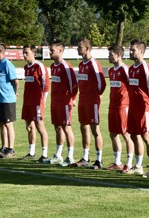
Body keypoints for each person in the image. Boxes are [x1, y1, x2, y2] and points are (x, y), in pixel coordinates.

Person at [125, 39, 149, 178]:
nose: (130, 52)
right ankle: (138, 165)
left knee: (146, 136)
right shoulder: (131, 68)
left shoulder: (146, 68)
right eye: (130, 49)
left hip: (144, 107)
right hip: (132, 107)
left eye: (133, 50)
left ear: (141, 51)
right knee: (134, 135)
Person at [72, 39, 106, 169]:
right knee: (83, 127)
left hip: (92, 102)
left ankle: (98, 160)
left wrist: (96, 96)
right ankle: (85, 157)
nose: (78, 49)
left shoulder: (94, 64)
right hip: (83, 101)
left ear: (87, 49)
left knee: (95, 129)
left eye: (80, 47)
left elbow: (101, 83)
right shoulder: (81, 64)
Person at [45, 41, 78, 166]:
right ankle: (58, 155)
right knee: (57, 127)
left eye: (52, 50)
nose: (50, 53)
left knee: (66, 127)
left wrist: (72, 99)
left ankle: (70, 157)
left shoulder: (66, 66)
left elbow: (74, 85)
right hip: (55, 102)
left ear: (60, 51)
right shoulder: (53, 66)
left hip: (64, 102)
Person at [106, 44, 134, 171]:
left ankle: (129, 163)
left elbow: (132, 87)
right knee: (113, 134)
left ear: (118, 55)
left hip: (123, 106)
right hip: (112, 106)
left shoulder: (125, 69)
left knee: (126, 134)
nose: (109, 57)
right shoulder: (111, 71)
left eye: (111, 55)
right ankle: (117, 162)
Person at [20, 44, 50, 163]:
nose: (24, 55)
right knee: (29, 127)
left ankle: (44, 154)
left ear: (34, 53)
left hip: (37, 102)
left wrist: (44, 100)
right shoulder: (26, 67)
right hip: (27, 101)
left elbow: (46, 85)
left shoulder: (39, 66)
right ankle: (31, 152)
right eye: (23, 52)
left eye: (26, 52)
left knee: (40, 126)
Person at [0, 41, 19, 158]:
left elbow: (15, 81)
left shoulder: (7, 64)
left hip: (7, 99)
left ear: (0, 51)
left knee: (8, 124)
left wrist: (15, 93)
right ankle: (4, 147)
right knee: (1, 123)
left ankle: (10, 149)